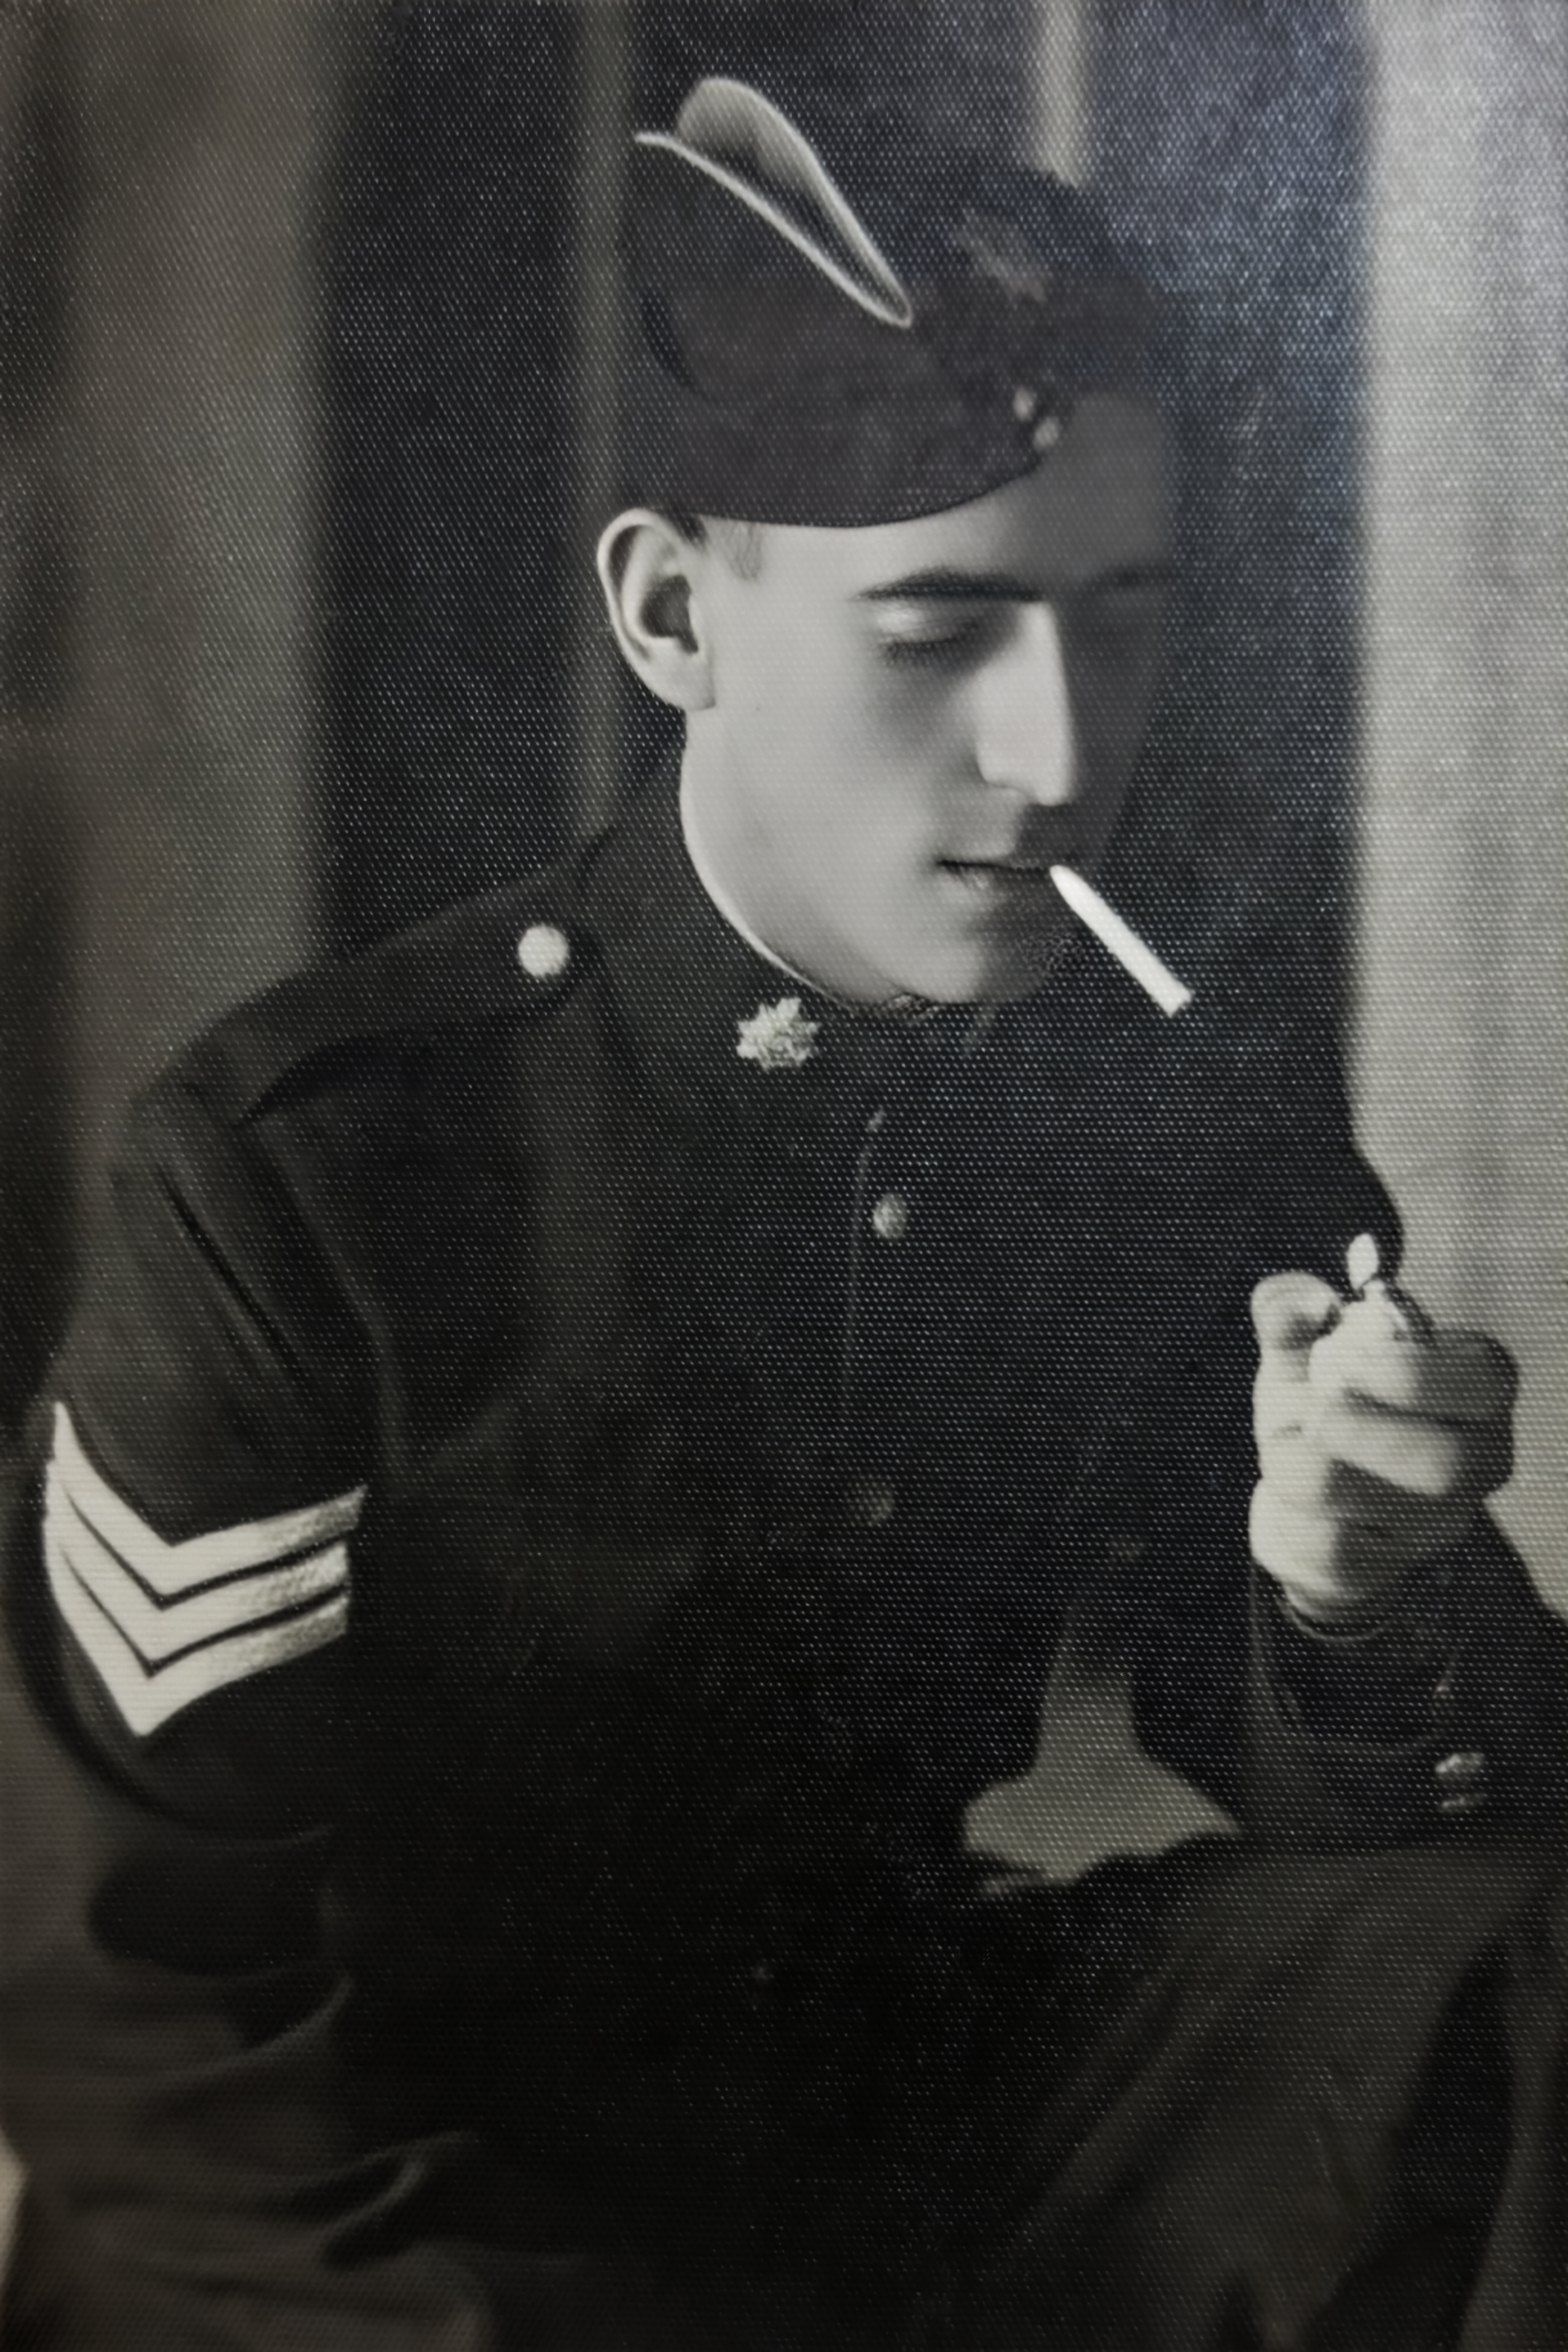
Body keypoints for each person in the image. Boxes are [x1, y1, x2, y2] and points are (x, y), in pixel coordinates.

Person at [2, 74, 1563, 2352]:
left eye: (1116, 616)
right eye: (938, 627)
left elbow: (1432, 1831)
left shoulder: (1159, 1091)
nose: (1053, 748)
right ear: (670, 617)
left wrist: (1345, 1592)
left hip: (883, 2126)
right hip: (382, 2221)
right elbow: (149, 2055)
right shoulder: (307, 1170)